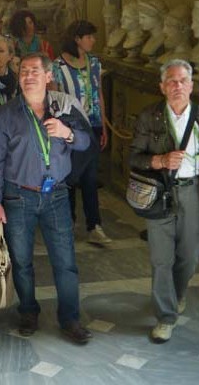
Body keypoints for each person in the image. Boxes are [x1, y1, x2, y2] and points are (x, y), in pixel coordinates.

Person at [0, 52, 94, 344]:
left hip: (56, 194)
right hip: (18, 196)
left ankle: (70, 318)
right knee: (21, 261)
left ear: (48, 76)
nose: (28, 75)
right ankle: (28, 311)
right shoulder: (5, 114)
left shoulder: (64, 107)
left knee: (65, 261)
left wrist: (68, 133)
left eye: (35, 70)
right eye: (23, 71)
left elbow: (87, 141)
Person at [129, 59, 199, 343]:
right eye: (171, 81)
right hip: (162, 195)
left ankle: (177, 293)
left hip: (196, 194)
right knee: (161, 260)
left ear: (192, 85)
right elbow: (134, 157)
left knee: (190, 256)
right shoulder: (149, 117)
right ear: (162, 87)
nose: (177, 86)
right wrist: (159, 160)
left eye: (183, 81)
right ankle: (165, 317)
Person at [52, 21, 111, 245]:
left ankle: (94, 225)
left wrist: (103, 125)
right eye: (89, 36)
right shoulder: (58, 66)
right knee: (68, 175)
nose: (93, 40)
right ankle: (68, 221)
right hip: (69, 127)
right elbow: (55, 98)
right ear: (77, 38)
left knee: (90, 176)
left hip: (92, 125)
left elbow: (99, 95)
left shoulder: (94, 63)